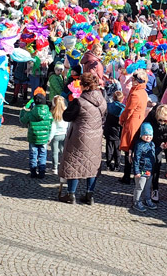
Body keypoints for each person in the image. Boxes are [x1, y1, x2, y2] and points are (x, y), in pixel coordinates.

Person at [58, 71, 106, 205]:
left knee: (75, 163)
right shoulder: (102, 99)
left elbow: (66, 116)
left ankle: (71, 194)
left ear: (85, 86)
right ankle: (89, 195)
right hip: (96, 135)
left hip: (80, 136)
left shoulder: (79, 101)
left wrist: (71, 102)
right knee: (92, 164)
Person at [119, 70, 149, 183]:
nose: (132, 81)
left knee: (129, 149)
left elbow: (128, 110)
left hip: (132, 123)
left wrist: (121, 119)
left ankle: (127, 176)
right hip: (139, 121)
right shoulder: (143, 92)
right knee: (134, 149)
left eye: (133, 79)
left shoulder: (135, 94)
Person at [21, 87, 53, 179]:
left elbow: (22, 120)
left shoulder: (31, 113)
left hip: (33, 138)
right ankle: (42, 172)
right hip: (44, 138)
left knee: (33, 154)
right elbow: (50, 126)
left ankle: (33, 172)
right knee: (43, 154)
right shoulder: (49, 114)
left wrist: (22, 111)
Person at [131, 123, 157, 212]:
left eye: (150, 135)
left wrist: (160, 148)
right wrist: (136, 171)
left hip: (149, 170)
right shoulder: (139, 145)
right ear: (141, 135)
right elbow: (136, 159)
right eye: (146, 135)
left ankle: (147, 199)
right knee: (139, 187)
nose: (148, 137)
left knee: (147, 187)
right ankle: (136, 201)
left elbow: (153, 154)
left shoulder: (152, 144)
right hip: (141, 171)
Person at [104, 87, 125, 171]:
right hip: (117, 130)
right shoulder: (122, 108)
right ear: (122, 99)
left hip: (108, 128)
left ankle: (108, 164)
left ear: (113, 97)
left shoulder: (108, 105)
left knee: (109, 147)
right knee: (117, 148)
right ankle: (117, 165)